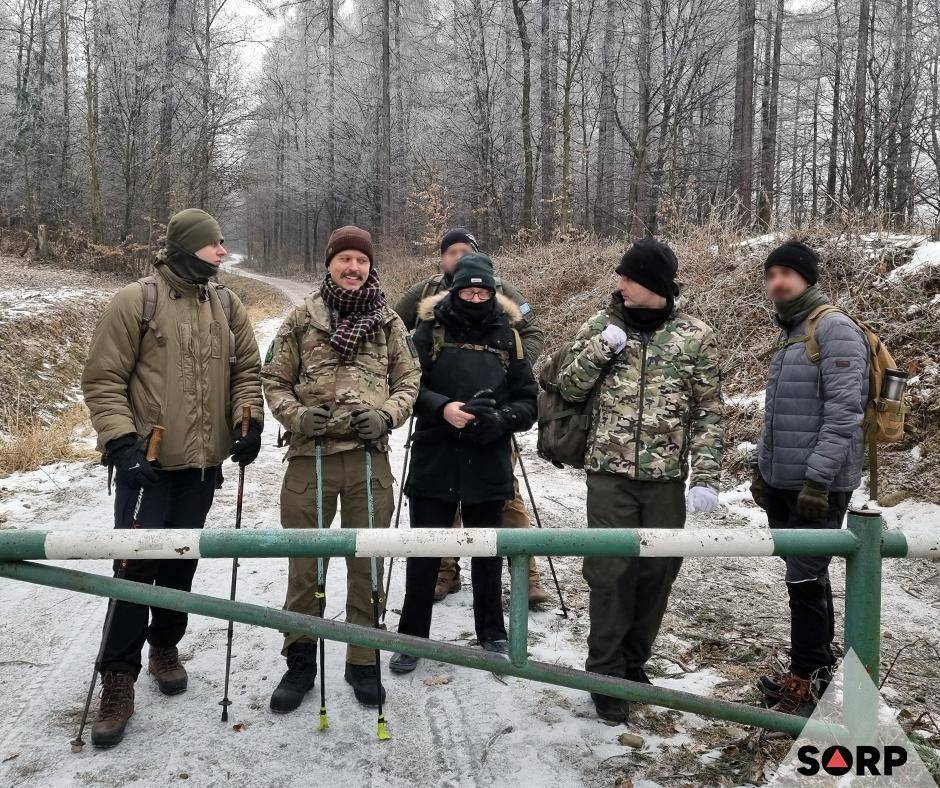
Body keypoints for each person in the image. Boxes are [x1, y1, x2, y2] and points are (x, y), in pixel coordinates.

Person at [80, 208, 264, 747]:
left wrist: (246, 421)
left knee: (181, 565)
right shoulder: (137, 301)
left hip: (202, 466)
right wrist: (119, 442)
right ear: (187, 246)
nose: (222, 252)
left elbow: (246, 371)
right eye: (214, 244)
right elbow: (103, 378)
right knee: (133, 571)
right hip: (147, 467)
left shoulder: (228, 304)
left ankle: (165, 646)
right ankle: (117, 677)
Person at [555, 238, 723, 723]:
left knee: (656, 575)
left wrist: (705, 475)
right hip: (609, 475)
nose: (620, 284)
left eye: (627, 277)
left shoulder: (696, 335)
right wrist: (600, 351)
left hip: (666, 480)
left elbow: (708, 410)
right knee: (610, 573)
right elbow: (566, 385)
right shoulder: (602, 326)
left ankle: (633, 664)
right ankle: (604, 673)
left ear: (652, 283)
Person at [261, 225, 420, 711]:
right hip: (309, 460)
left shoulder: (389, 323)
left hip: (369, 464)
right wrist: (296, 416)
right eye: (345, 259)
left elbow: (409, 381)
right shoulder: (300, 320)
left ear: (370, 267)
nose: (354, 269)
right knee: (306, 564)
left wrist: (388, 415)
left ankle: (362, 659)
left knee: (366, 563)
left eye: (362, 261)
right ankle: (300, 659)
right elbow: (273, 379)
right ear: (329, 263)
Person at [388, 253, 538, 674]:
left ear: (492, 292)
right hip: (435, 454)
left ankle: (491, 632)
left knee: (487, 551)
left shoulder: (509, 337)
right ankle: (412, 637)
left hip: (488, 458)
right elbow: (406, 387)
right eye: (469, 289)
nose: (476, 296)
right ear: (454, 291)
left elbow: (528, 400)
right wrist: (441, 408)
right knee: (423, 552)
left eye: (483, 289)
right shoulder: (427, 331)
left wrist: (501, 420)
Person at [751, 240, 869, 717]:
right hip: (786, 482)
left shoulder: (834, 329)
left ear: (808, 278)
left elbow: (844, 414)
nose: (777, 281)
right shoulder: (792, 331)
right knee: (804, 578)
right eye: (771, 273)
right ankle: (815, 673)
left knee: (805, 579)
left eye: (787, 273)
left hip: (815, 486)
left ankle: (809, 681)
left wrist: (818, 481)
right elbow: (780, 414)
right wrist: (763, 470)